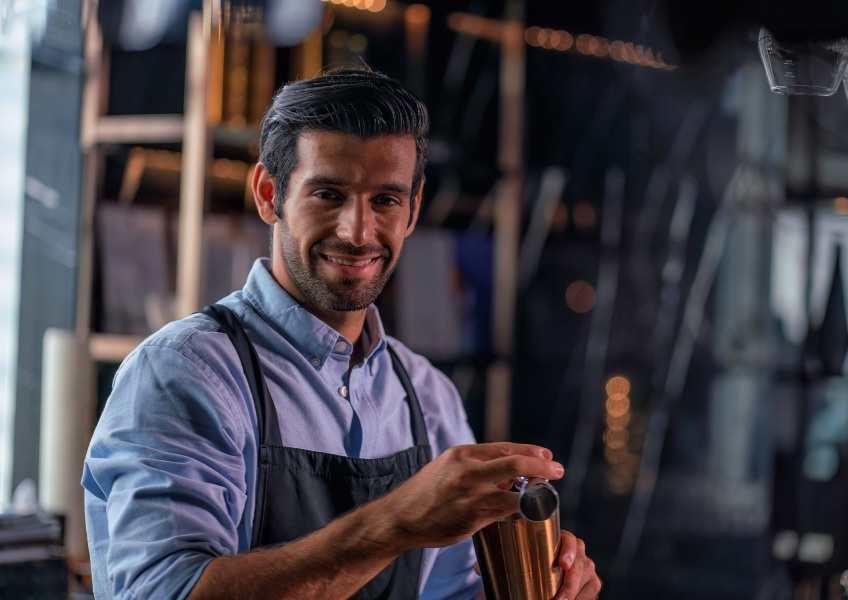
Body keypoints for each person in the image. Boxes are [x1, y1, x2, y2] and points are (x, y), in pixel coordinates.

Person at [82, 68, 602, 600]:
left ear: (413, 210)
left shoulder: (427, 396)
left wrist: (549, 586)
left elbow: (451, 591)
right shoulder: (185, 373)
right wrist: (394, 523)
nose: (358, 232)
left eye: (385, 201)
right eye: (328, 194)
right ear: (268, 194)